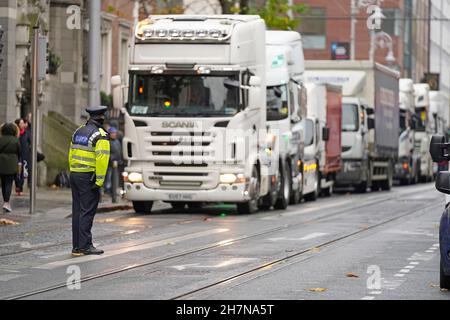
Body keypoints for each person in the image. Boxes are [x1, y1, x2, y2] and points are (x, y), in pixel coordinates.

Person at [68, 106, 110, 256]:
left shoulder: (78, 131)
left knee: (77, 211)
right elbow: (102, 160)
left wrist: (73, 170)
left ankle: (77, 246)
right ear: (102, 118)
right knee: (87, 212)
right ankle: (85, 245)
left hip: (75, 174)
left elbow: (71, 153)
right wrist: (99, 181)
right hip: (88, 177)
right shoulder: (100, 135)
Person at [0, 123, 20, 213]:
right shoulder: (16, 140)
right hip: (12, 164)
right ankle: (6, 202)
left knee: (3, 184)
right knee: (8, 183)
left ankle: (5, 201)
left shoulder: (1, 139)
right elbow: (19, 152)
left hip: (1, 163)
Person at [14, 118, 31, 196]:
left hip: (25, 155)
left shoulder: (27, 133)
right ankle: (17, 186)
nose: (22, 124)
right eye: (20, 123)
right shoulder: (15, 134)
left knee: (23, 173)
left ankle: (20, 188)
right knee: (17, 172)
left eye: (23, 123)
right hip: (17, 155)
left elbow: (30, 143)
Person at [104, 126, 123, 195]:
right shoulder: (107, 142)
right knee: (108, 177)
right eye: (112, 133)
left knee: (115, 178)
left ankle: (113, 190)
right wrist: (110, 158)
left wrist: (120, 159)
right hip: (109, 163)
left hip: (116, 163)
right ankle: (107, 189)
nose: (114, 134)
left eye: (114, 133)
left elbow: (119, 151)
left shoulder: (117, 141)